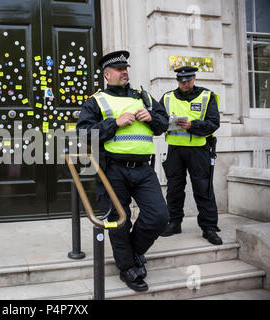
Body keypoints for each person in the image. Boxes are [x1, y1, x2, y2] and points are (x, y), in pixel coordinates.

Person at [76, 50, 169, 292]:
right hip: (112, 170)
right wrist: (115, 123)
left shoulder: (144, 96)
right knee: (118, 221)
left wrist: (151, 118)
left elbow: (162, 124)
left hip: (144, 169)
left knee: (159, 217)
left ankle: (135, 251)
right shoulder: (95, 101)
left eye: (125, 68)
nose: (124, 72)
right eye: (118, 69)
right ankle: (127, 267)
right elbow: (85, 134)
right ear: (107, 74)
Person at [159, 66, 222, 245]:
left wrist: (192, 126)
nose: (184, 84)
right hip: (175, 150)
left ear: (194, 78)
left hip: (199, 149)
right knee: (174, 188)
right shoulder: (167, 97)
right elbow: (158, 120)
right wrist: (167, 121)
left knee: (204, 189)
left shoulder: (207, 96)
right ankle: (174, 222)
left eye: (187, 80)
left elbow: (213, 123)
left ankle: (209, 227)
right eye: (181, 81)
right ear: (177, 80)